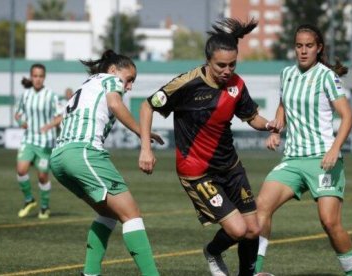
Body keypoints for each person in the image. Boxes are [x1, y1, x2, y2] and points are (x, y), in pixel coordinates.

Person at [139, 18, 277, 276]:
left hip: (231, 167)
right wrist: (146, 149)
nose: (227, 70)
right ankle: (212, 253)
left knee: (253, 229)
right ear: (208, 61)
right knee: (237, 230)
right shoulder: (186, 84)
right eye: (221, 65)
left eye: (232, 64)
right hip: (197, 171)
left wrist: (270, 124)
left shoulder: (237, 84)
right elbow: (147, 106)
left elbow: (252, 118)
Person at [254, 24, 352, 276]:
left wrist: (335, 149)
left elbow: (347, 116)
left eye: (309, 46)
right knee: (261, 207)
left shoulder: (327, 76)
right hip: (292, 159)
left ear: (318, 48)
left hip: (322, 159)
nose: (303, 51)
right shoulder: (287, 74)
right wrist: (275, 130)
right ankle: (254, 272)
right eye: (299, 46)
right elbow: (284, 105)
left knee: (330, 222)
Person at [50, 49, 163, 276]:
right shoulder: (110, 80)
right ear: (113, 70)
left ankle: (90, 273)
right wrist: (143, 135)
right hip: (83, 152)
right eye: (129, 79)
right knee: (131, 214)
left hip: (59, 158)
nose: (129, 86)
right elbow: (114, 104)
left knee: (108, 214)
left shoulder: (87, 84)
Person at [14, 63, 62, 219]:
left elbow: (61, 115)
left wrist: (49, 125)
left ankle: (44, 206)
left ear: (44, 77)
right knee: (21, 170)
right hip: (28, 139)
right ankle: (29, 200)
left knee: (42, 177)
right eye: (35, 76)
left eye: (41, 76)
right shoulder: (25, 95)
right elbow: (18, 114)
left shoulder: (51, 95)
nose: (38, 79)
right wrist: (22, 123)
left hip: (45, 142)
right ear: (31, 77)